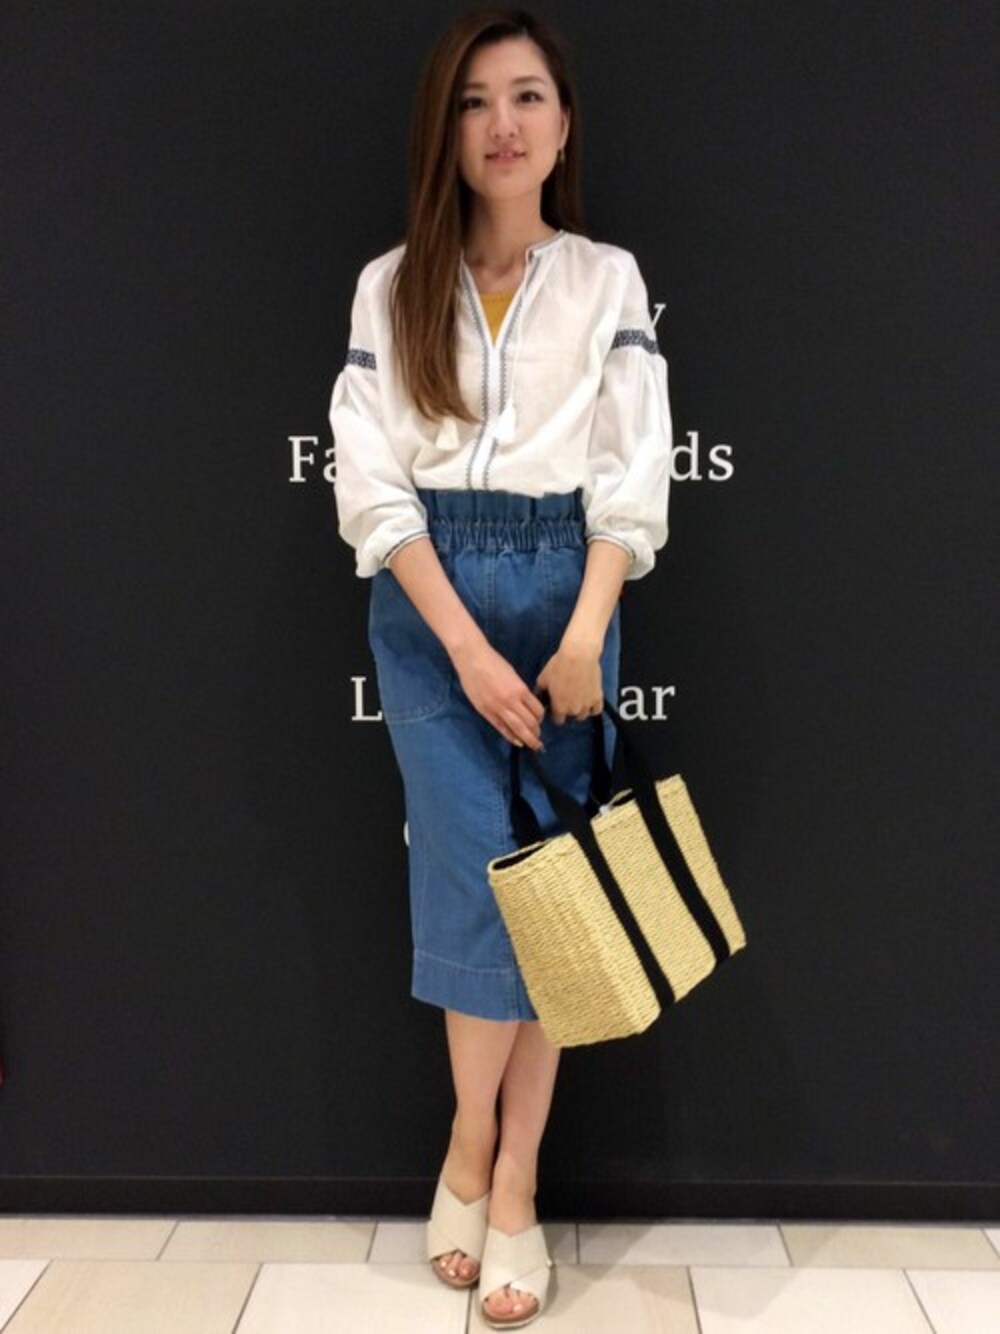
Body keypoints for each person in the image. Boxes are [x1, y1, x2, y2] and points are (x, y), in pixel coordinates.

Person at [328, 7, 672, 1327]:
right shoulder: (390, 284)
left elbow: (631, 466)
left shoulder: (605, 279)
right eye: (476, 101)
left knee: (555, 897)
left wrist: (583, 635)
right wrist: (465, 647)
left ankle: (508, 1176)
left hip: (566, 590)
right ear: (448, 128)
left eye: (527, 96)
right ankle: (474, 1142)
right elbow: (372, 481)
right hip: (435, 602)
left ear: (564, 124)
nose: (504, 124)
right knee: (480, 885)